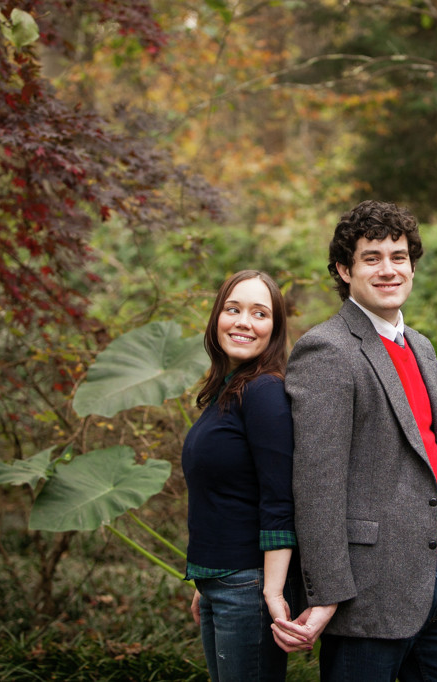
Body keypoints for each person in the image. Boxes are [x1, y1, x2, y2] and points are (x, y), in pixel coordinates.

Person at [273, 200, 437, 680]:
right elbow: (317, 483)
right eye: (372, 258)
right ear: (344, 270)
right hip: (369, 590)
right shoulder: (328, 349)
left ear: (412, 266)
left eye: (399, 256)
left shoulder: (421, 346)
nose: (388, 269)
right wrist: (327, 592)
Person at [183, 269, 297, 682]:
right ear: (217, 317)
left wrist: (271, 591)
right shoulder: (227, 390)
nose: (243, 322)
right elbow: (219, 498)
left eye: (259, 313)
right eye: (233, 309)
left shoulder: (264, 391)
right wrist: (204, 581)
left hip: (247, 587)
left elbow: (279, 497)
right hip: (219, 581)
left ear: (275, 329)